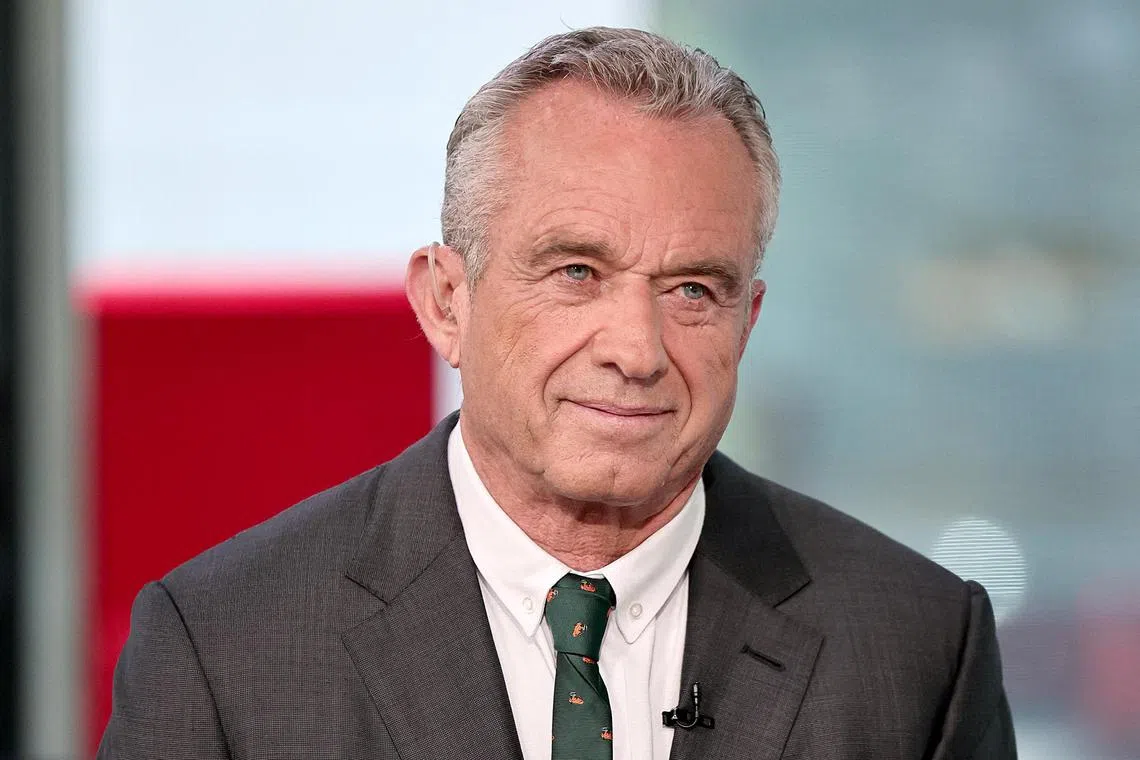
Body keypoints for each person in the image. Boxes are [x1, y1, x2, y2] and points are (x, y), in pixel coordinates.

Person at [98, 27, 1017, 760]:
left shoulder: (918, 646)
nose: (637, 350)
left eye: (693, 289)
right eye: (577, 271)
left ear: (749, 320)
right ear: (447, 302)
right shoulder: (225, 646)